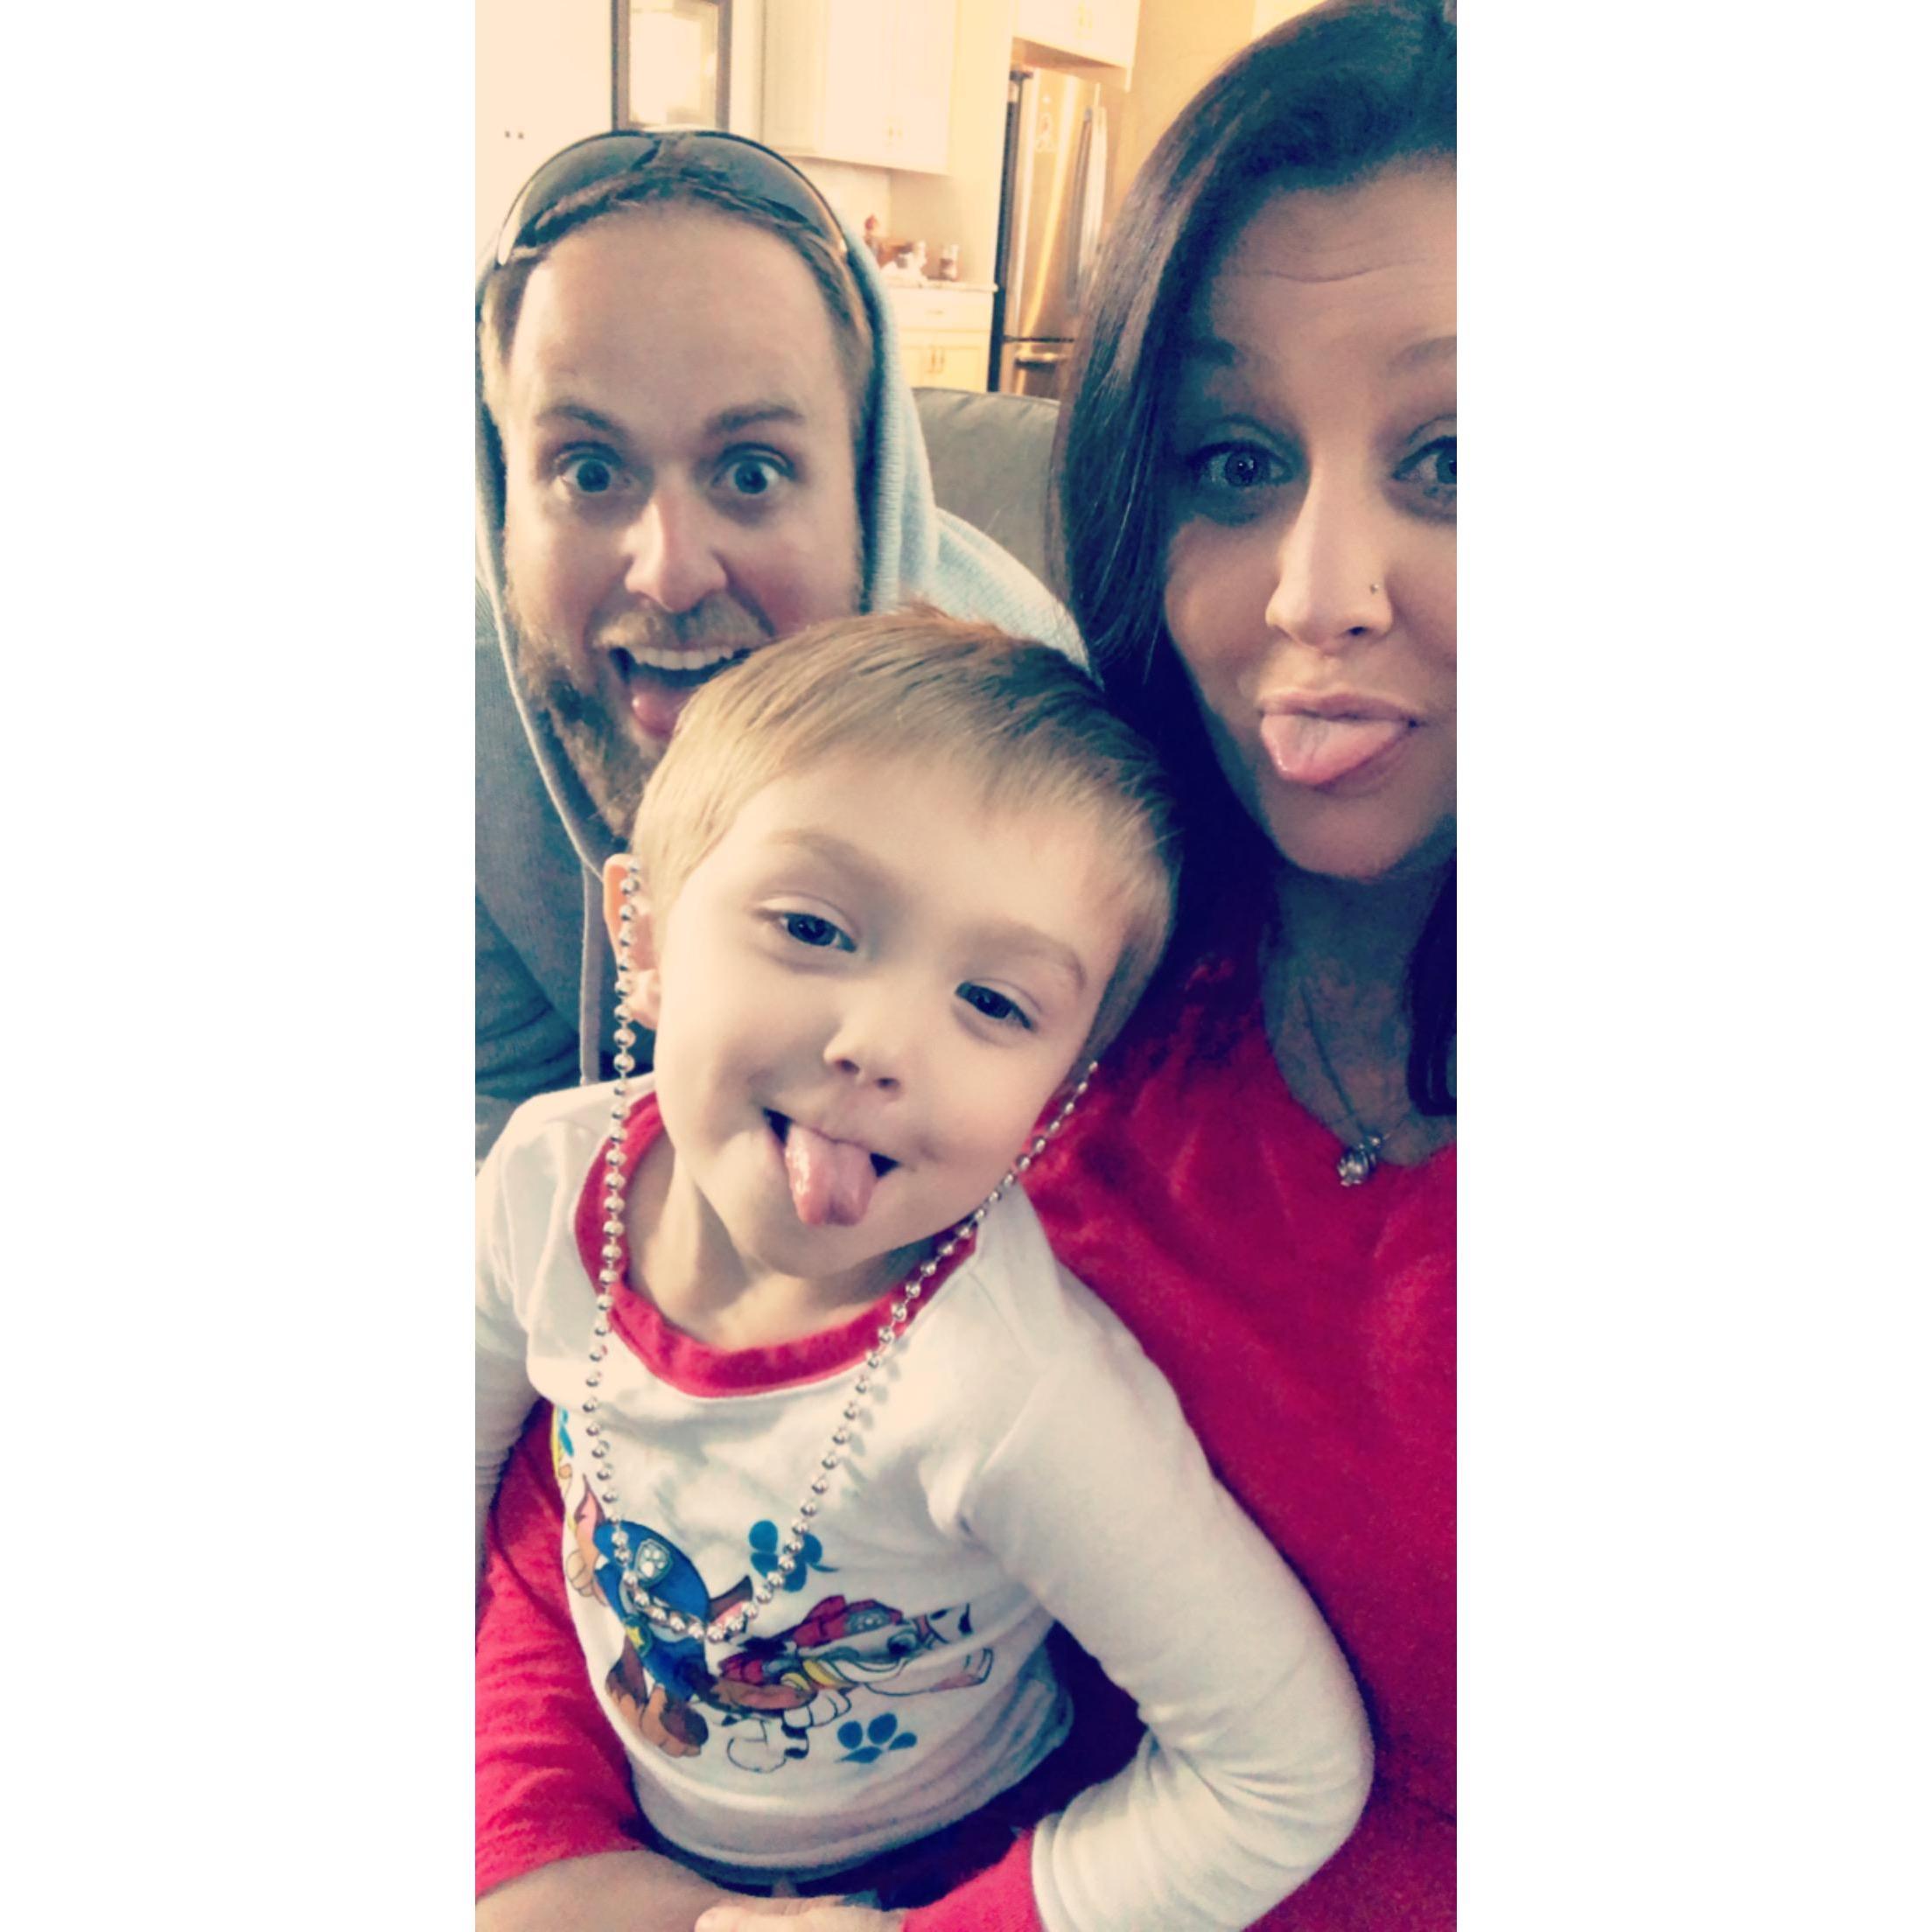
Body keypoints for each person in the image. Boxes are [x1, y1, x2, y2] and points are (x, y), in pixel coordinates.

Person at [477, 3, 1456, 1927]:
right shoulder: (1065, 950)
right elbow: (611, 1445)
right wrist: (543, 1845)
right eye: (1232, 456)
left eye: (1459, 457)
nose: (1314, 592)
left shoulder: (1021, 1015)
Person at [477, 613, 1374, 1928]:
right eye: (813, 926)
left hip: (941, 1864)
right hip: (612, 1796)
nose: (881, 1044)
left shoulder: (1011, 1393)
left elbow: (1285, 1774)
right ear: (648, 937)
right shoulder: (544, 1183)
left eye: (996, 1004)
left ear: (1059, 1098)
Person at [477, 131, 1077, 1159]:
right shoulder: (466, 734)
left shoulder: (1034, 759)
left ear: (868, 492)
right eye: (587, 471)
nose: (669, 573)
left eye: (751, 472)